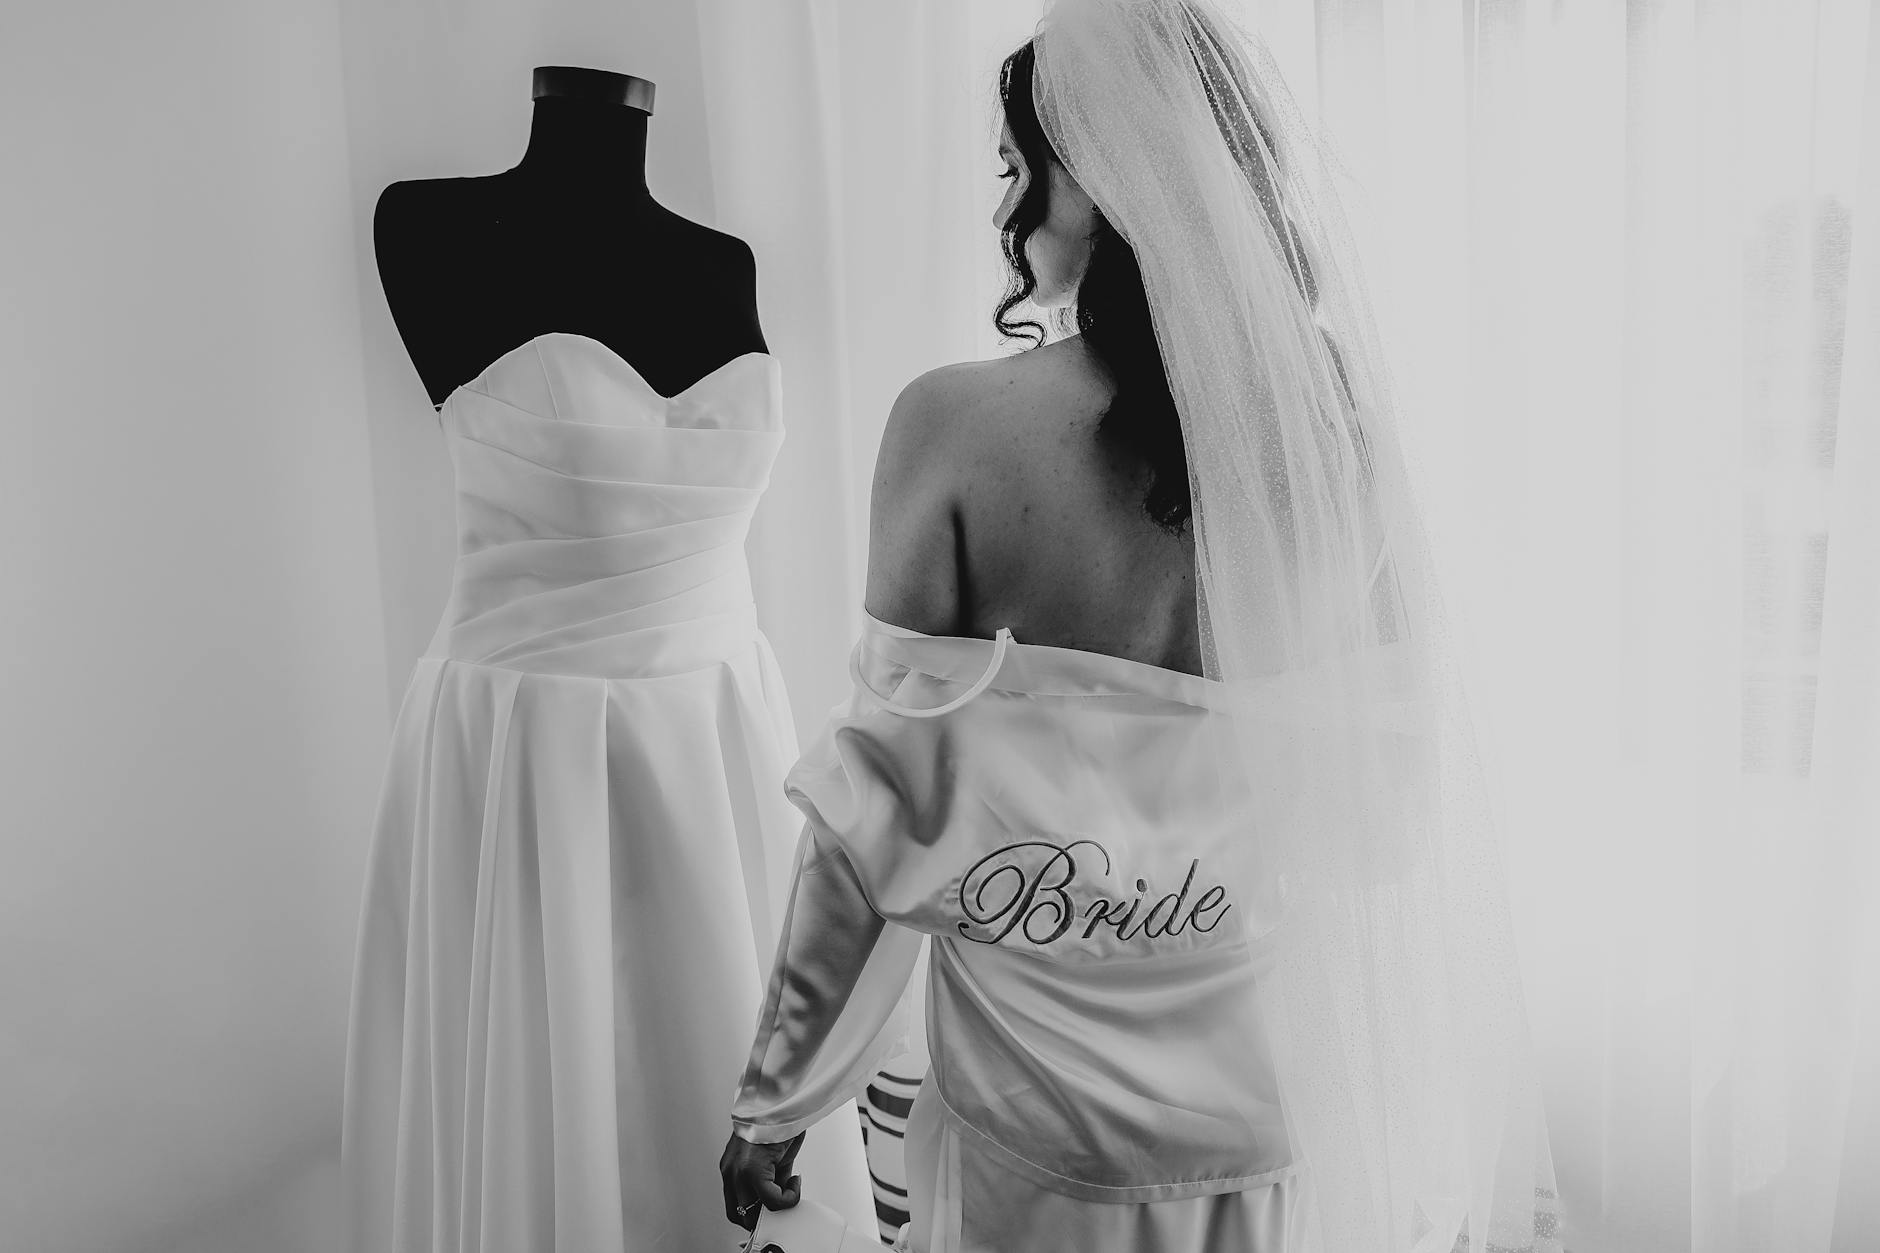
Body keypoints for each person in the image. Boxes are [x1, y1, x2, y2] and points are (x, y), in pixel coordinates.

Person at [721, 2, 1561, 1250]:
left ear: (1098, 178)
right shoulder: (1338, 446)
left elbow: (868, 820)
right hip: (1266, 1125)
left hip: (1035, 1137)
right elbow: (1382, 828)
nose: (1004, 211)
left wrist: (780, 1094)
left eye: (1017, 169)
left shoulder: (948, 431)